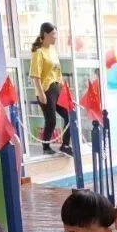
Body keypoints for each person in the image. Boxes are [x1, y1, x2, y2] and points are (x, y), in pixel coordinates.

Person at [29, 22, 72, 156]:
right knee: (51, 121)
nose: (55, 37)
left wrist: (63, 87)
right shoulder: (38, 52)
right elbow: (35, 75)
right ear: (46, 34)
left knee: (69, 116)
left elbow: (58, 71)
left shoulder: (53, 50)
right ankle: (46, 147)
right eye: (53, 34)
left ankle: (65, 145)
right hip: (46, 91)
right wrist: (41, 93)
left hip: (57, 88)